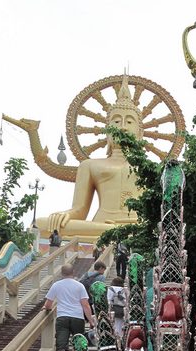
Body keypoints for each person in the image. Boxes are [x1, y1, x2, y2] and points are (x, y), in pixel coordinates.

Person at [37, 75, 142, 241]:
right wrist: (64, 215)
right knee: (42, 224)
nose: (122, 127)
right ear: (107, 130)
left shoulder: (152, 170)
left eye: (129, 122)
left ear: (139, 132)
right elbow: (80, 210)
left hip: (138, 226)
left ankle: (116, 231)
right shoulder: (89, 165)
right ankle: (113, 231)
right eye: (116, 122)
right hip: (100, 225)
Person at [43, 263, 95, 351]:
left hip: (62, 317)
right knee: (77, 341)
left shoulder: (56, 285)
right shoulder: (79, 286)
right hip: (77, 317)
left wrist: (45, 308)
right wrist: (91, 321)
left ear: (62, 273)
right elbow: (85, 305)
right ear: (73, 272)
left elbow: (48, 304)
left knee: (60, 347)